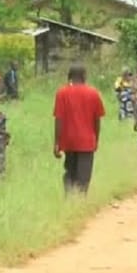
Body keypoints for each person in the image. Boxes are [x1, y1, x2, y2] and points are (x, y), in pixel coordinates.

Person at [53, 64, 105, 195]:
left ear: (69, 76)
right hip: (87, 140)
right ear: (84, 76)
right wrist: (96, 139)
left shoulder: (61, 93)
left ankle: (69, 198)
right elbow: (97, 120)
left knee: (70, 171)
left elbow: (58, 120)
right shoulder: (93, 93)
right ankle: (81, 202)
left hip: (68, 140)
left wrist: (56, 143)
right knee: (84, 175)